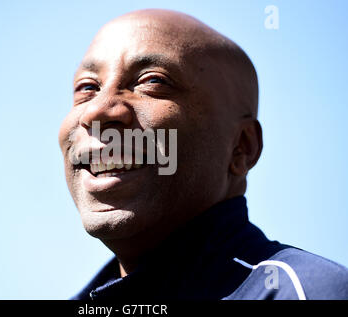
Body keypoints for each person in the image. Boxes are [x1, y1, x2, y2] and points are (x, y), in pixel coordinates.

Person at [58, 8, 348, 300]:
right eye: (87, 88)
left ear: (242, 147)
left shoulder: (303, 292)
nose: (96, 111)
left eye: (153, 81)